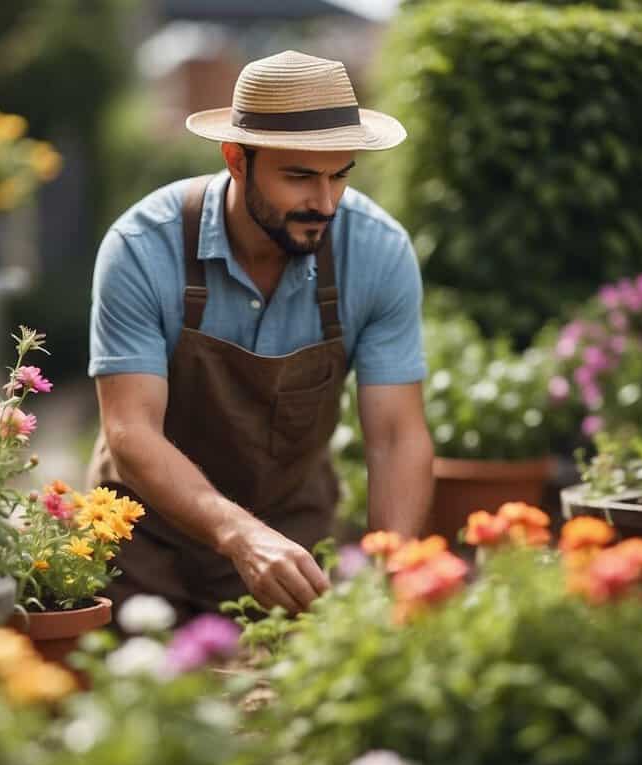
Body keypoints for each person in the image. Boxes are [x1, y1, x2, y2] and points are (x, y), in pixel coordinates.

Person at [86, 50, 433, 623]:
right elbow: (130, 430)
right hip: (141, 547)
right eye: (299, 176)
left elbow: (397, 436)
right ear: (237, 160)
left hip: (296, 553)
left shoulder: (377, 251)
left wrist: (389, 580)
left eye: (339, 176)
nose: (323, 203)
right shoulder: (143, 247)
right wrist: (239, 535)